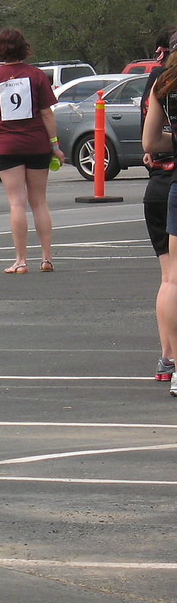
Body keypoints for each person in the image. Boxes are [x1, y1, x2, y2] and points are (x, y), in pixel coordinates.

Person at [0, 29, 64, 275]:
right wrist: (55, 146)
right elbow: (47, 114)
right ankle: (47, 258)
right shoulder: (36, 76)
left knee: (17, 203)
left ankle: (21, 260)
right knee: (40, 202)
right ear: (24, 48)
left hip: (6, 146)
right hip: (37, 144)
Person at [139, 30, 177, 385]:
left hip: (162, 184)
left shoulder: (161, 83)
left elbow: (149, 141)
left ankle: (170, 358)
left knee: (170, 278)